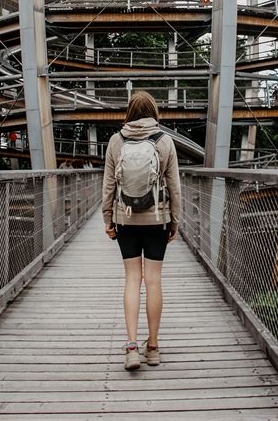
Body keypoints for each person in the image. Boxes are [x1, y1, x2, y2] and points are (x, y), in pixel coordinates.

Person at [102, 91, 181, 371]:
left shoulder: (116, 140)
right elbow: (174, 186)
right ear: (154, 112)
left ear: (129, 112)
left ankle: (132, 346)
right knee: (154, 282)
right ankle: (154, 347)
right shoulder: (164, 141)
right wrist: (175, 221)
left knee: (132, 279)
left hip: (126, 219)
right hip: (157, 219)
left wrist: (107, 218)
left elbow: (109, 185)